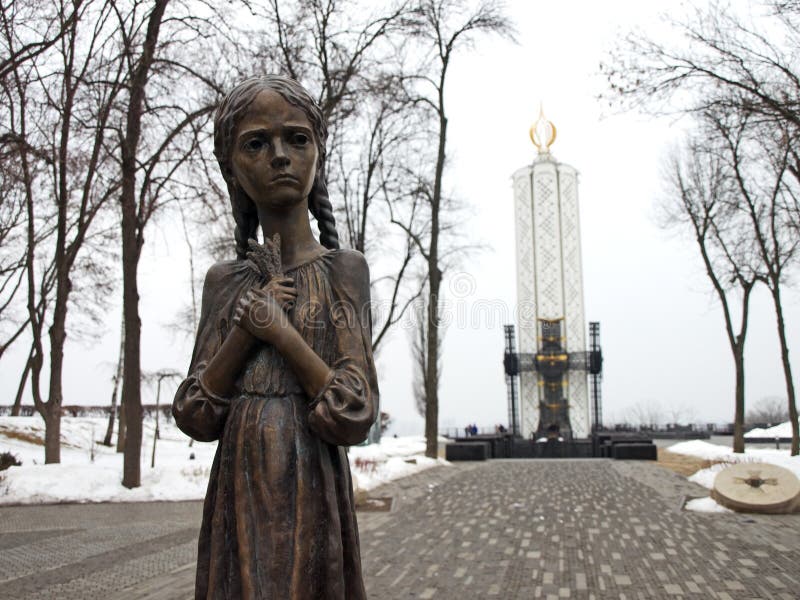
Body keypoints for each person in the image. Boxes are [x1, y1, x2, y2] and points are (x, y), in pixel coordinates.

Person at [172, 75, 377, 600]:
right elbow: (195, 412)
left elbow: (353, 411)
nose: (280, 156)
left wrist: (281, 335)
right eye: (257, 143)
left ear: (318, 155)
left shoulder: (343, 272)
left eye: (297, 139)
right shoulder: (226, 282)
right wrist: (245, 331)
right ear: (233, 170)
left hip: (312, 486)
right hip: (238, 490)